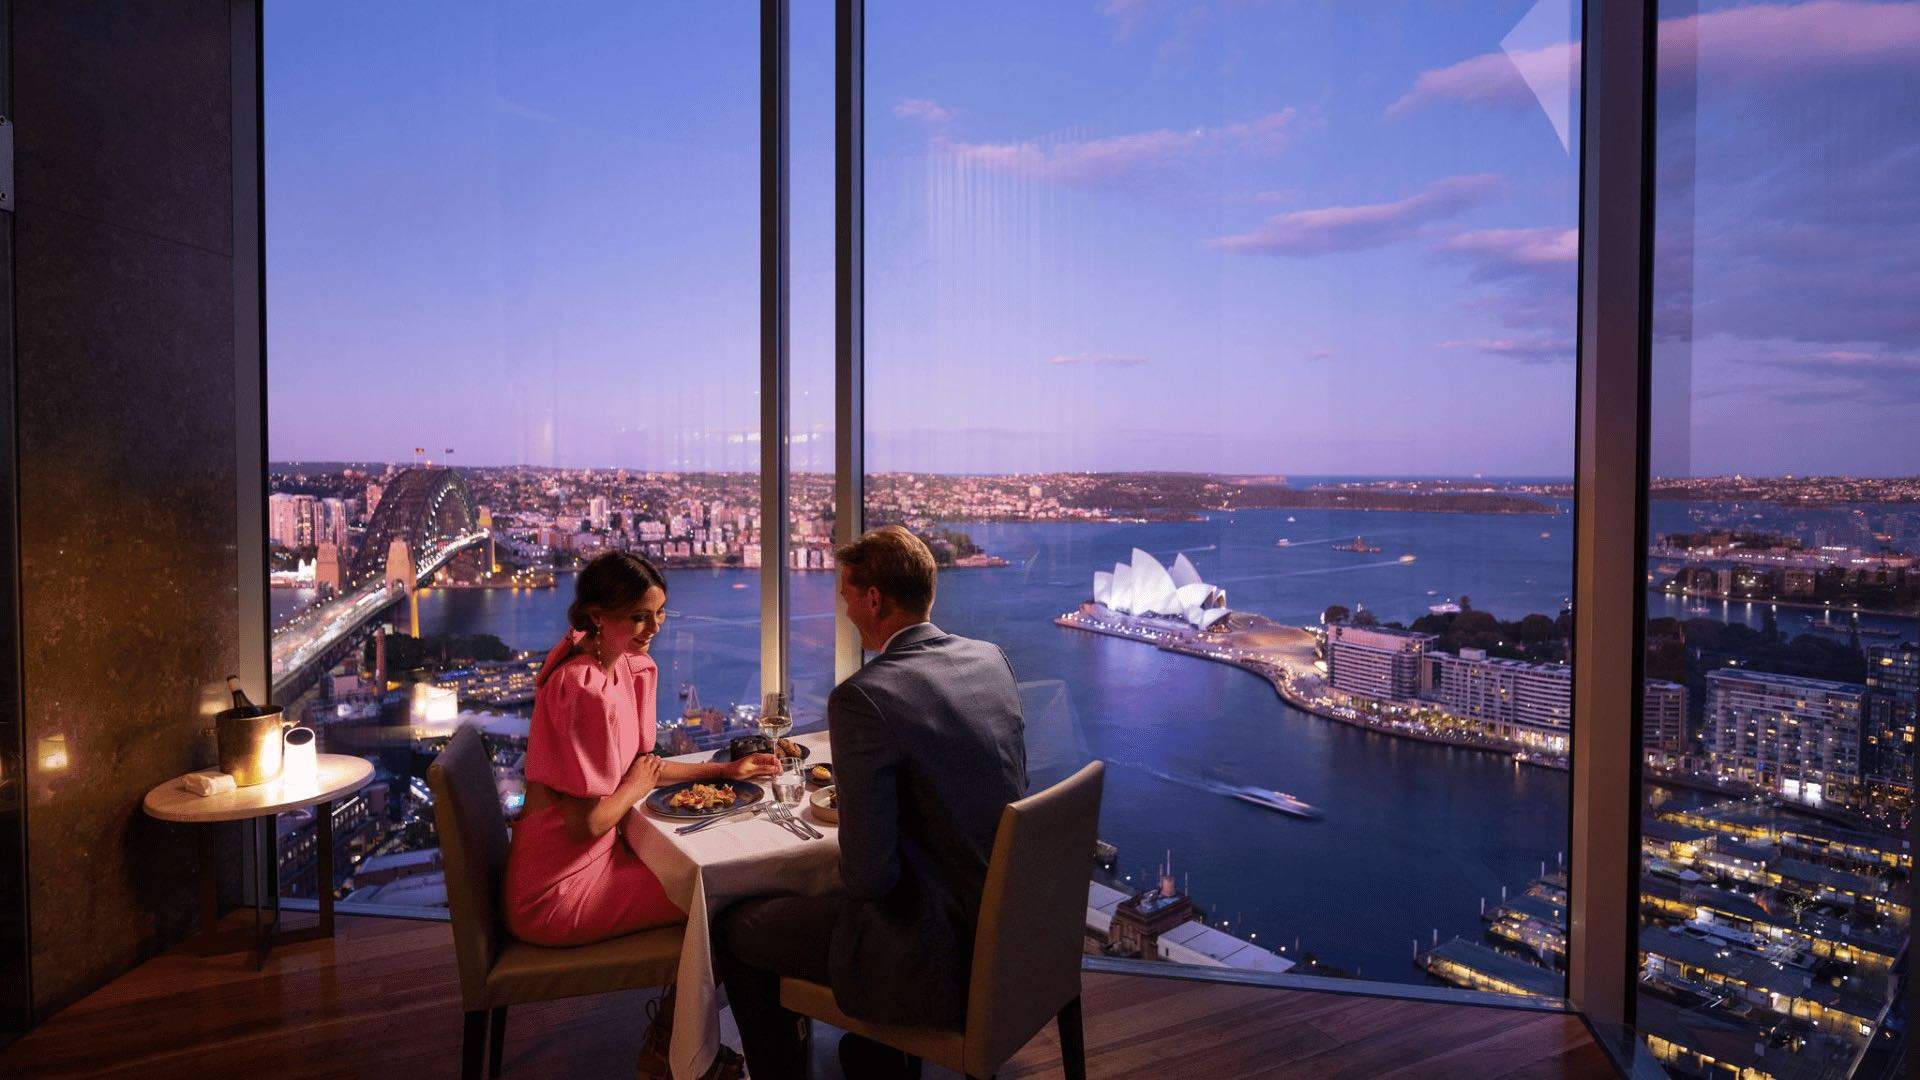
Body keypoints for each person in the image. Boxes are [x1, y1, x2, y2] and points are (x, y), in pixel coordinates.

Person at [718, 526, 1028, 1080]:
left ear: (875, 599)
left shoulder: (864, 696)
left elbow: (870, 879)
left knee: (741, 928)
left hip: (933, 948)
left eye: (845, 596)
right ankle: (875, 1053)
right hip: (1005, 930)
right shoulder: (989, 660)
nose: (843, 609)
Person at [502, 552, 777, 1075]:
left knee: (718, 886)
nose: (653, 628)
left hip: (596, 860)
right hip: (557, 889)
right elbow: (590, 822)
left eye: (660, 613)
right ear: (596, 615)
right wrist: (637, 784)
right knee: (725, 900)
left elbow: (642, 768)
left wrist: (725, 772)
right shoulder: (581, 687)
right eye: (638, 616)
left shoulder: (621, 664)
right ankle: (672, 1050)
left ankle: (683, 1037)